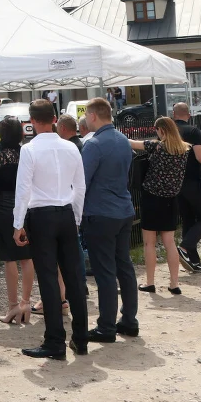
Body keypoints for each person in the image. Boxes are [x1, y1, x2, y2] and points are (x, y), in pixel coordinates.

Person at [13, 99, 89, 359]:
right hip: (66, 213)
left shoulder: (29, 149)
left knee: (48, 278)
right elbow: (80, 187)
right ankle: (81, 338)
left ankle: (55, 341)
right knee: (74, 278)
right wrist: (76, 218)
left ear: (32, 121)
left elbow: (23, 189)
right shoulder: (71, 148)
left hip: (41, 215)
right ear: (55, 118)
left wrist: (17, 223)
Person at [80, 98, 139, 342]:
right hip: (123, 210)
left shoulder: (94, 144)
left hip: (100, 213)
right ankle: (129, 319)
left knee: (104, 271)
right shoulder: (123, 140)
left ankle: (106, 326)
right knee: (124, 266)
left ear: (93, 116)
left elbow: (81, 181)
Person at [127, 117, 188, 293]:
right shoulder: (184, 149)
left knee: (149, 243)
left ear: (161, 130)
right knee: (170, 241)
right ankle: (174, 283)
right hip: (171, 199)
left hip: (152, 198)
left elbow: (132, 143)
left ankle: (150, 281)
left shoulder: (157, 146)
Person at [0, 116, 35, 323]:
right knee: (27, 256)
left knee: (9, 258)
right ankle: (25, 303)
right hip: (27, 204)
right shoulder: (27, 153)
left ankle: (14, 306)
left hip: (4, 206)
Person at [171, 103, 201, 273]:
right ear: (188, 114)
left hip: (175, 182)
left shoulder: (168, 132)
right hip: (193, 180)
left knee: (189, 220)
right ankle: (184, 247)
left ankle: (193, 261)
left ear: (174, 114)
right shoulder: (193, 132)